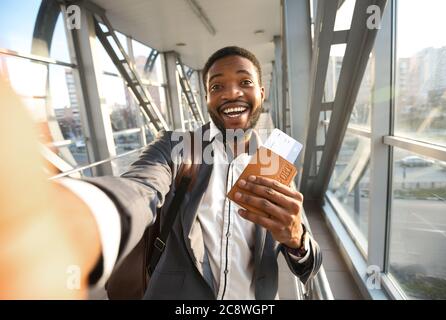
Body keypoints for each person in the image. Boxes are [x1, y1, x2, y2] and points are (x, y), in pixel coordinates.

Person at [0, 46, 321, 299]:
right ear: (207, 99)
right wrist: (77, 225)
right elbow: (140, 188)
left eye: (245, 82)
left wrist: (297, 240)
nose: (231, 93)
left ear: (262, 94)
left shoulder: (274, 162)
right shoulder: (178, 147)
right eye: (217, 85)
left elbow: (310, 265)